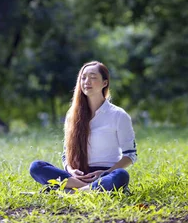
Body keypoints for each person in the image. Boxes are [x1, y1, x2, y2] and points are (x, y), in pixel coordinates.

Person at [29, 61, 137, 192]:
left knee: (121, 175)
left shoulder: (118, 115)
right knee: (36, 167)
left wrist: (104, 173)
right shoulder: (72, 114)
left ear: (105, 83)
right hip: (76, 176)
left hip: (106, 175)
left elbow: (130, 155)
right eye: (83, 77)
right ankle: (88, 190)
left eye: (93, 77)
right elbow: (66, 154)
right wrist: (70, 170)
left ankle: (70, 191)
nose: (87, 81)